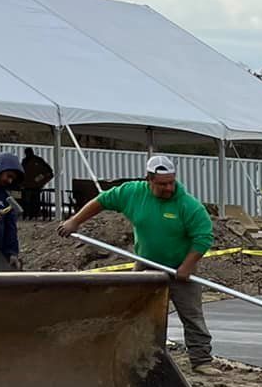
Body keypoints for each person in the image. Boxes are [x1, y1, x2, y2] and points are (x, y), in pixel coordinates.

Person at [57, 155, 218, 369]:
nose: (169, 188)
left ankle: (201, 359)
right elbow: (102, 201)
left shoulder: (187, 205)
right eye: (162, 184)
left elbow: (203, 236)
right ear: (148, 179)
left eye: (171, 182)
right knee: (138, 312)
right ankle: (139, 355)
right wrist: (74, 221)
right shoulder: (132, 193)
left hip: (180, 266)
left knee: (191, 314)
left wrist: (187, 266)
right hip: (145, 264)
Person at [19, 150, 54, 220]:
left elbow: (49, 172)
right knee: (26, 202)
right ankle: (27, 215)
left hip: (36, 186)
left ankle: (34, 215)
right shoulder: (25, 161)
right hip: (27, 186)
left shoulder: (38, 161)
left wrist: (40, 180)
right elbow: (22, 173)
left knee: (35, 201)